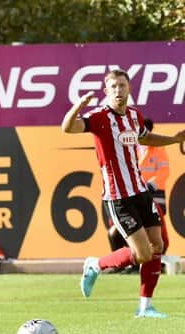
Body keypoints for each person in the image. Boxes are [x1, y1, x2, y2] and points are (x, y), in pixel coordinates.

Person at [61, 69, 185, 318]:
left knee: (157, 245)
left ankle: (145, 306)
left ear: (129, 88)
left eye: (122, 85)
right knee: (142, 254)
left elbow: (146, 137)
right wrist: (77, 106)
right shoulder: (98, 117)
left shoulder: (134, 116)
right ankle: (95, 265)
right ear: (106, 91)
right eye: (113, 86)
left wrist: (173, 139)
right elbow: (67, 128)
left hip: (141, 192)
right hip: (118, 198)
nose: (118, 90)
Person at [105, 118, 170, 273]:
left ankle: (137, 266)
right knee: (118, 231)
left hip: (152, 196)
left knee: (151, 235)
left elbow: (164, 172)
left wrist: (148, 186)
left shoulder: (158, 149)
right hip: (129, 195)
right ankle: (120, 265)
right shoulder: (126, 147)